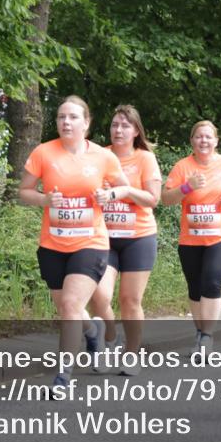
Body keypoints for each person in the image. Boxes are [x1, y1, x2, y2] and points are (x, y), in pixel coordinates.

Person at [18, 96, 129, 391]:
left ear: (86, 123)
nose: (65, 122)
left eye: (72, 117)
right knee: (70, 310)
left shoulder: (103, 158)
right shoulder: (44, 153)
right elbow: (24, 191)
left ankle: (63, 376)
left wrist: (110, 196)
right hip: (53, 244)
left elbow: (123, 187)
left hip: (90, 242)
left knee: (70, 304)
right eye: (61, 117)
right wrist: (43, 199)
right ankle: (93, 332)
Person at [162, 121, 221, 356]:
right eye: (198, 137)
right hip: (191, 238)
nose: (203, 141)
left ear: (216, 141)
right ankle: (200, 332)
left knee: (213, 281)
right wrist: (186, 187)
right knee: (195, 287)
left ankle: (206, 337)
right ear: (192, 141)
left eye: (208, 137)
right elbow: (166, 199)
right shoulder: (183, 166)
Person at [87, 105, 162, 375]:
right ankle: (109, 338)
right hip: (103, 237)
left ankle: (131, 354)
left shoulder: (145, 159)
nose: (118, 130)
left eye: (125, 125)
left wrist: (124, 190)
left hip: (138, 238)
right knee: (98, 296)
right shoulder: (99, 155)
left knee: (130, 300)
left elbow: (153, 199)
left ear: (136, 130)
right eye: (115, 125)